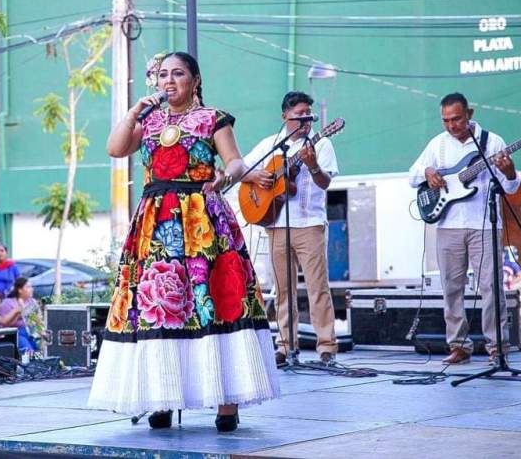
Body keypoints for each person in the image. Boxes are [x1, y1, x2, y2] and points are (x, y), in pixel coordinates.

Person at [88, 51, 279, 432]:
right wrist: (131, 114)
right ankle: (162, 395)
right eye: (162, 75)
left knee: (214, 303)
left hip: (201, 218)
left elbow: (236, 162)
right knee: (160, 306)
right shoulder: (149, 120)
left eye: (177, 74)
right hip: (155, 221)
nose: (169, 81)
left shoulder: (214, 118)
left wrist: (229, 176)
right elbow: (114, 149)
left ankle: (227, 403)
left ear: (195, 80)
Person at [408, 92, 519, 365]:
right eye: (445, 120)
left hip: (483, 224)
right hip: (448, 225)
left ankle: (498, 348)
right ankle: (458, 345)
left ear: (469, 113)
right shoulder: (438, 144)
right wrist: (427, 173)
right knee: (451, 288)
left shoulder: (492, 142)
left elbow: (509, 188)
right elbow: (412, 174)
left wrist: (510, 172)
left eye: (456, 119)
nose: (450, 126)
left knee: (492, 288)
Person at [243, 91, 340, 367]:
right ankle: (286, 346)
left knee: (317, 288)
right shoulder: (270, 145)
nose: (306, 121)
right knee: (283, 290)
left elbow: (324, 183)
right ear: (285, 116)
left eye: (309, 115)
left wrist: (312, 165)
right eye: (299, 115)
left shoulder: (322, 145)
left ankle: (326, 347)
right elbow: (242, 170)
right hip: (276, 224)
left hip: (309, 224)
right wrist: (258, 176)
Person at [0, 278, 39, 352]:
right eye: (28, 287)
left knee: (39, 351)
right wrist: (18, 312)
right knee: (29, 352)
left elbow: (37, 320)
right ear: (20, 290)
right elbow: (4, 324)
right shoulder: (8, 303)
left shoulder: (32, 302)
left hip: (31, 332)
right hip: (16, 333)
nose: (31, 289)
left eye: (31, 287)